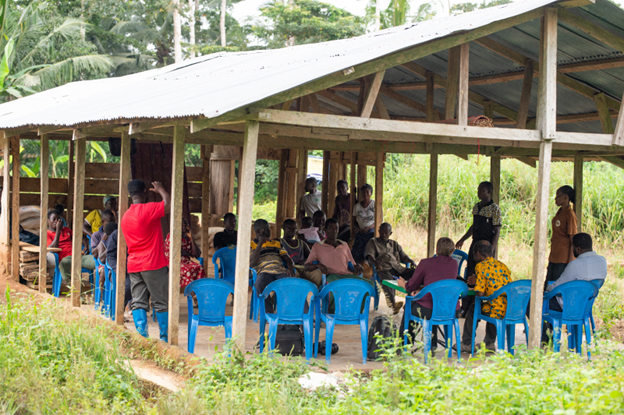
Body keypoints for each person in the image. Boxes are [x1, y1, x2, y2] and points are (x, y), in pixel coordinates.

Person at [120, 180, 170, 342]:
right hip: (153, 263)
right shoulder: (149, 209)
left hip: (134, 265)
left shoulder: (125, 217)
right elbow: (168, 205)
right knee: (160, 302)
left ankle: (142, 338)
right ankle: (163, 339)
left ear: (130, 195)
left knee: (138, 302)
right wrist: (161, 189)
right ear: (145, 191)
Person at [397, 237, 458, 349]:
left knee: (410, 306)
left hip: (428, 310)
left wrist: (403, 284)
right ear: (452, 252)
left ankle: (405, 344)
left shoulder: (426, 263)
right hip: (448, 309)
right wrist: (421, 289)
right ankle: (432, 344)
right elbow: (441, 283)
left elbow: (411, 286)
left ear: (436, 249)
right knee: (431, 301)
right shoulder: (454, 264)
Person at [455, 181, 502, 316]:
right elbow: (473, 225)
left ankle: (479, 307)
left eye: (481, 190)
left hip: (486, 246)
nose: (478, 192)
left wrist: (491, 250)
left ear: (489, 192)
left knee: (482, 275)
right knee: (470, 272)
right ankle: (465, 307)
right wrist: (463, 239)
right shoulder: (477, 207)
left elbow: (497, 231)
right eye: (478, 189)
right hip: (474, 244)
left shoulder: (494, 209)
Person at [460, 240, 512, 353]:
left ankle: (466, 343)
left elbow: (480, 294)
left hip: (494, 309)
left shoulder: (480, 266)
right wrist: (478, 280)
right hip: (509, 308)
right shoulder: (502, 266)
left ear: (477, 253)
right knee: (492, 304)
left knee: (474, 308)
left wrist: (477, 284)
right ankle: (489, 342)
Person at [365, 222, 416, 314]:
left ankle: (412, 300)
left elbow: (403, 256)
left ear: (390, 233)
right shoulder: (373, 242)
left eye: (386, 232)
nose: (384, 234)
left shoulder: (394, 244)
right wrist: (375, 262)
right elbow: (369, 256)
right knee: (388, 280)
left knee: (417, 273)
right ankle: (393, 304)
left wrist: (411, 261)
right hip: (383, 269)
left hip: (398, 269)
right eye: (382, 231)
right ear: (379, 231)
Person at [251, 219, 296, 312]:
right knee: (259, 284)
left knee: (295, 286)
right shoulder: (251, 245)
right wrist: (260, 244)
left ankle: (302, 315)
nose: (269, 231)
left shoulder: (276, 243)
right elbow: (252, 263)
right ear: (259, 231)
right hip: (264, 272)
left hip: (280, 272)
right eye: (267, 229)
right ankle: (269, 312)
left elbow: (287, 258)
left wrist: (290, 266)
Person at [46, 209, 95, 286]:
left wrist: (85, 245)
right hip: (66, 260)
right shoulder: (47, 234)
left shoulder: (66, 230)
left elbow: (78, 237)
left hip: (79, 257)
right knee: (62, 265)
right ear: (48, 221)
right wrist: (58, 231)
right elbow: (53, 248)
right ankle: (77, 293)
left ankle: (103, 292)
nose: (56, 221)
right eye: (54, 219)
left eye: (58, 219)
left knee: (98, 261)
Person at [546, 186, 577, 283]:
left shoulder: (570, 214)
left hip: (563, 258)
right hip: (554, 255)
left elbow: (573, 240)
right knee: (548, 283)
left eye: (558, 196)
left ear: (566, 197)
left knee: (556, 284)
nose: (555, 199)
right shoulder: (559, 212)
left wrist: (570, 262)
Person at [280, 219, 322, 287]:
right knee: (293, 275)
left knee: (317, 274)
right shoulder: (279, 242)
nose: (292, 230)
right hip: (291, 268)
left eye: (295, 228)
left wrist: (305, 260)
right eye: (289, 228)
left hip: (304, 268)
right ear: (283, 228)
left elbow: (311, 256)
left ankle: (311, 295)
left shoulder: (301, 243)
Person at [165, 218, 206, 288]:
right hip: (173, 262)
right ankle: (192, 293)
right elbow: (177, 251)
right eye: (181, 224)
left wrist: (191, 238)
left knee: (199, 267)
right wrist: (190, 254)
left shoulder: (186, 238)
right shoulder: (171, 236)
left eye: (185, 224)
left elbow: (197, 253)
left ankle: (199, 290)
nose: (184, 226)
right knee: (187, 270)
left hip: (186, 262)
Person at [351, 183, 376, 263]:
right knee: (357, 245)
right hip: (361, 230)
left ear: (371, 193)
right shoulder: (357, 206)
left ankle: (367, 260)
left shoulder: (374, 204)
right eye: (363, 192)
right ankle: (357, 264)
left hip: (371, 229)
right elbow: (354, 221)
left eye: (367, 192)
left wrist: (369, 228)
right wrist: (358, 229)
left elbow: (378, 220)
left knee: (370, 237)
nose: (365, 194)